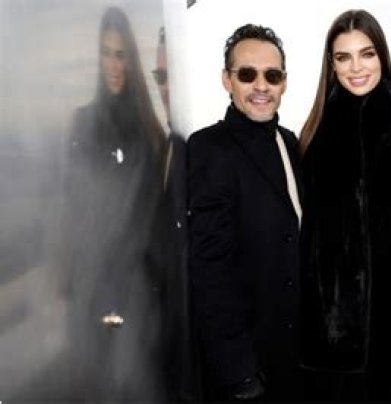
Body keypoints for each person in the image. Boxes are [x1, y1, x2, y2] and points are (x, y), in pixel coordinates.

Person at [298, 9, 391, 402]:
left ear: (382, 55)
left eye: (366, 54)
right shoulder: (313, 134)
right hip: (332, 322)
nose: (356, 68)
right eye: (343, 57)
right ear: (331, 65)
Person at [187, 24, 302, 401]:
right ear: (227, 80)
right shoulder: (209, 148)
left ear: (284, 83)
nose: (261, 86)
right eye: (247, 74)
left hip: (293, 359)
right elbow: (209, 268)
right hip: (246, 370)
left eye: (272, 75)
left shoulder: (288, 143)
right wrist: (239, 371)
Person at [64, 6, 166, 401]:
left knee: (136, 386)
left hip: (141, 292)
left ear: (131, 59)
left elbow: (154, 220)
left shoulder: (150, 132)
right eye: (106, 53)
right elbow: (75, 211)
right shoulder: (83, 124)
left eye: (120, 54)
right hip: (95, 289)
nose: (113, 64)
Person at [149, 26, 198, 401]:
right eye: (160, 77)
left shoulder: (204, 156)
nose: (166, 88)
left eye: (174, 76)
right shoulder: (165, 150)